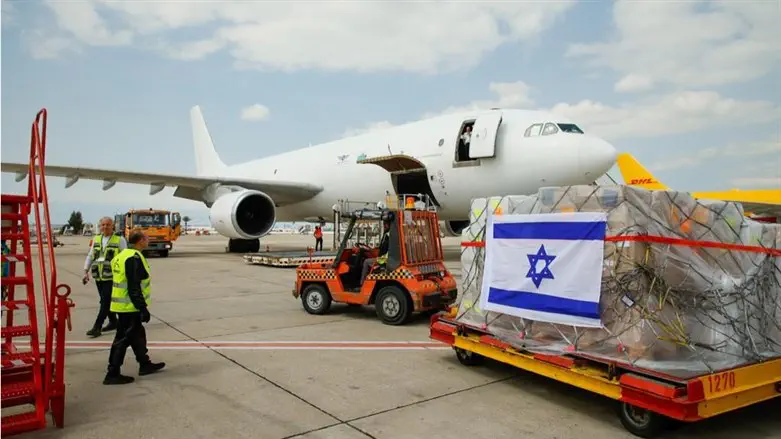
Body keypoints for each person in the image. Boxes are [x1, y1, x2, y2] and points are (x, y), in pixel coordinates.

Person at [103, 229, 165, 385]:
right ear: (140, 241)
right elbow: (133, 286)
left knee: (137, 335)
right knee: (123, 339)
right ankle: (112, 373)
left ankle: (144, 364)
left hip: (122, 304)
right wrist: (142, 307)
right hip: (128, 306)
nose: (148, 241)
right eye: (147, 238)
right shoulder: (133, 258)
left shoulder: (121, 255)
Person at [83, 217, 126, 338]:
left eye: (108, 225)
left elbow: (125, 257)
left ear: (113, 226)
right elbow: (91, 255)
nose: (105, 227)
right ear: (100, 226)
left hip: (112, 277)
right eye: (103, 225)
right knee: (104, 301)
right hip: (99, 276)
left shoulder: (119, 240)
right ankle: (113, 321)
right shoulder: (96, 239)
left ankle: (97, 327)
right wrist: (86, 271)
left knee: (105, 302)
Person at [360, 219, 391, 284]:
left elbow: (382, 250)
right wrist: (372, 249)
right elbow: (380, 248)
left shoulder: (387, 235)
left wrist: (371, 250)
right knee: (368, 259)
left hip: (383, 259)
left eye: (385, 224)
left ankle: (362, 283)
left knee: (366, 262)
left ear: (388, 225)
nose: (384, 226)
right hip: (386, 258)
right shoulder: (390, 234)